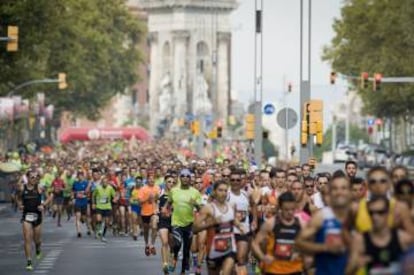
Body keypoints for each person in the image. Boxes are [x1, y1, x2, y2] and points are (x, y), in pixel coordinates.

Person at [295, 171, 352, 275]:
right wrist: (325, 247)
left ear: (349, 191)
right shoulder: (321, 216)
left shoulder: (358, 214)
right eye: (335, 189)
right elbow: (299, 242)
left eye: (344, 188)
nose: (339, 192)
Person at [346, 195, 413, 275]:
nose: (375, 216)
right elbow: (347, 272)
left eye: (380, 212)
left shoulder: (403, 238)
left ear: (388, 212)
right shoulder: (360, 240)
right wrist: (355, 266)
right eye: (371, 213)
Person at [193, 180, 241, 275]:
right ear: (214, 192)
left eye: (225, 191)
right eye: (220, 190)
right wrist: (210, 223)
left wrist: (240, 227)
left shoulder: (232, 206)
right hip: (213, 250)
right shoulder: (207, 208)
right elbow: (194, 229)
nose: (223, 193)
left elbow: (236, 224)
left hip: (229, 249)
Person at [251, 191, 304, 275]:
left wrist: (300, 252)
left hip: (294, 269)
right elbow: (255, 244)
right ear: (280, 208)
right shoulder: (271, 223)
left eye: (292, 209)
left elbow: (310, 244)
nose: (290, 212)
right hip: (274, 269)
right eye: (286, 209)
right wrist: (263, 257)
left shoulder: (301, 224)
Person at [163, 168, 202, 275]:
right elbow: (168, 202)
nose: (185, 178)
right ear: (180, 178)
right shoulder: (174, 190)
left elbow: (201, 210)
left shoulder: (195, 192)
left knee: (186, 250)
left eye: (187, 176)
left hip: (189, 224)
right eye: (183, 176)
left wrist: (196, 204)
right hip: (176, 223)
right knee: (177, 244)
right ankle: (174, 256)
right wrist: (165, 209)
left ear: (190, 179)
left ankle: (183, 271)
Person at [17, 171, 53, 271]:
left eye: (36, 177)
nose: (34, 179)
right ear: (27, 178)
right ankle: (29, 261)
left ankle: (37, 248)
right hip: (26, 216)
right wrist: (20, 204)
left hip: (37, 216)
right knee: (27, 239)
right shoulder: (22, 188)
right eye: (32, 177)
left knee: (37, 240)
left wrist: (43, 205)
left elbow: (50, 197)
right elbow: (17, 197)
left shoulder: (40, 187)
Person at [227, 168, 257, 275]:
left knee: (241, 259)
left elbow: (254, 205)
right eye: (233, 180)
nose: (235, 182)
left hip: (243, 231)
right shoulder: (226, 194)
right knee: (230, 262)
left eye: (238, 180)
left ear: (242, 181)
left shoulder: (246, 194)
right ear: (229, 181)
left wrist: (255, 221)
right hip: (228, 232)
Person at [139, 169, 160, 256]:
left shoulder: (157, 188)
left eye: (153, 179)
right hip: (145, 212)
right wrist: (148, 198)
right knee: (146, 230)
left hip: (154, 211)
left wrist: (156, 200)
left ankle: (152, 245)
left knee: (154, 226)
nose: (151, 180)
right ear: (147, 180)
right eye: (150, 179)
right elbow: (139, 201)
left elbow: (159, 199)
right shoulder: (143, 189)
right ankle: (147, 244)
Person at [158, 174, 175, 274]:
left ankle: (172, 255)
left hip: (174, 221)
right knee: (164, 242)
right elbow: (155, 204)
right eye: (169, 181)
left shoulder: (177, 194)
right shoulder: (160, 192)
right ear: (165, 182)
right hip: (163, 220)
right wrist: (156, 213)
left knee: (172, 243)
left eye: (173, 182)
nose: (171, 184)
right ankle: (165, 264)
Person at [92, 176, 117, 242]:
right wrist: (93, 203)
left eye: (106, 182)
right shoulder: (98, 188)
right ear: (101, 182)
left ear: (108, 182)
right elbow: (93, 195)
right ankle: (98, 229)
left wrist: (115, 199)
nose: (105, 183)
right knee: (98, 219)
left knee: (106, 222)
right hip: (99, 206)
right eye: (103, 182)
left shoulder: (110, 188)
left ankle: (103, 236)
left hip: (107, 207)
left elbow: (115, 195)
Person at [72, 170, 91, 238]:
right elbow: (73, 191)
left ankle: (88, 228)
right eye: (79, 176)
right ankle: (79, 232)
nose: (80, 177)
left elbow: (88, 192)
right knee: (78, 217)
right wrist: (73, 198)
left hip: (84, 202)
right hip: (77, 202)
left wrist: (86, 190)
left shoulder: (86, 183)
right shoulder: (75, 183)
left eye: (81, 176)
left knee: (84, 218)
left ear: (83, 176)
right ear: (77, 176)